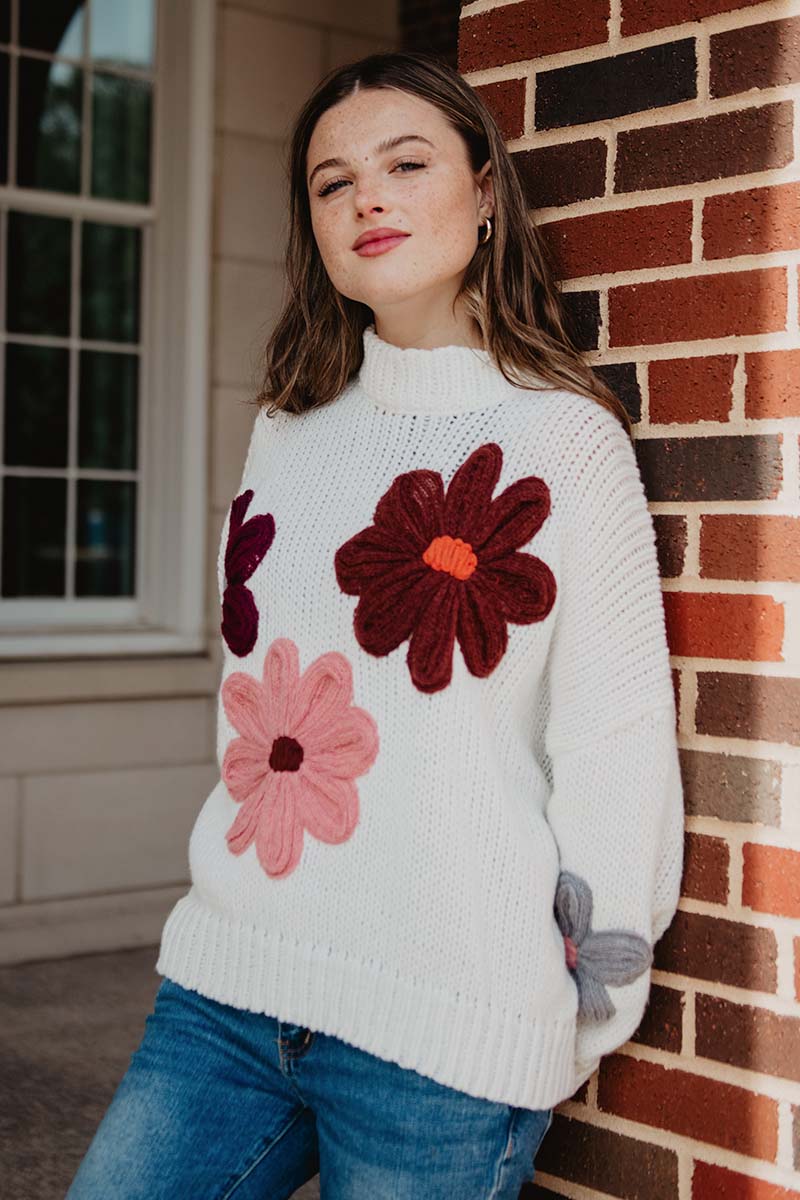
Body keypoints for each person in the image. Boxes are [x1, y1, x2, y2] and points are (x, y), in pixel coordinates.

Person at [66, 49, 684, 1200]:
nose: (368, 199)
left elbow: (613, 741)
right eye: (331, 182)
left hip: (440, 1033)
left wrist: (579, 1000)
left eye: (405, 163)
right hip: (231, 988)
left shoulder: (562, 443)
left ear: (485, 193)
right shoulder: (287, 431)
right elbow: (259, 710)